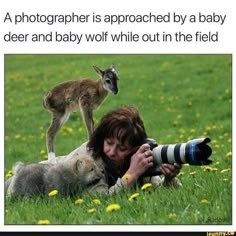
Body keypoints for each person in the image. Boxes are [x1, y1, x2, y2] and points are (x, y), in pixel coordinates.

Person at [51, 105, 182, 194]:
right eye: (108, 142)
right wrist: (132, 175)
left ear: (133, 149)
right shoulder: (87, 160)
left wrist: (169, 179)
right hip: (42, 179)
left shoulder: (137, 157)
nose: (112, 151)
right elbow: (100, 202)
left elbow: (158, 191)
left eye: (122, 148)